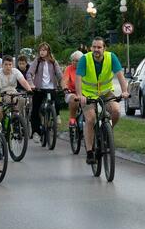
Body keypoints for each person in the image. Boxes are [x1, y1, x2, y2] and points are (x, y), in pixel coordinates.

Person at [75, 37, 130, 165]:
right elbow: (78, 78)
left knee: (116, 111)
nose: (96, 50)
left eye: (99, 47)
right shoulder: (85, 59)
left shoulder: (111, 57)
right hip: (88, 94)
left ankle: (107, 133)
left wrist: (124, 91)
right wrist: (79, 95)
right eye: (94, 47)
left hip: (106, 92)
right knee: (90, 119)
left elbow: (120, 75)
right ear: (91, 48)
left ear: (104, 48)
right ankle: (89, 152)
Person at [28, 42, 63, 139]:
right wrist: (31, 84)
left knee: (56, 101)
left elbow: (59, 74)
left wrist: (62, 83)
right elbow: (29, 73)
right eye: (40, 50)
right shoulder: (37, 61)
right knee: (35, 109)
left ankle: (57, 116)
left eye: (44, 50)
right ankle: (36, 132)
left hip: (51, 87)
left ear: (48, 51)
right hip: (39, 88)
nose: (42, 52)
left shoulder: (53, 62)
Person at [0, 55, 35, 125]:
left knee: (23, 100)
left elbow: (23, 81)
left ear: (12, 65)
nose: (8, 67)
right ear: (2, 65)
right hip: (2, 94)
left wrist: (29, 90)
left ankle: (19, 120)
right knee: (0, 113)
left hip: (13, 92)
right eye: (6, 64)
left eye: (10, 64)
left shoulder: (15, 71)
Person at [63, 50, 84, 129]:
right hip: (71, 92)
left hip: (83, 92)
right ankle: (72, 119)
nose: (74, 62)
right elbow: (65, 80)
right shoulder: (69, 68)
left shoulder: (85, 68)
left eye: (77, 61)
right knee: (74, 99)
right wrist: (65, 87)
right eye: (73, 60)